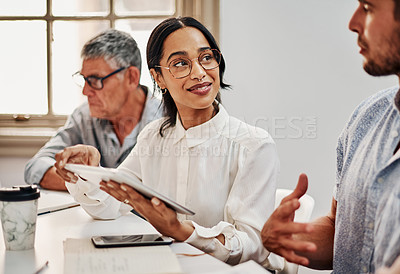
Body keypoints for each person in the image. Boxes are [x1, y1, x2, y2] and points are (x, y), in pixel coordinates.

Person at [54, 17, 281, 267]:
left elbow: (252, 246)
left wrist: (180, 230)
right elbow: (110, 207)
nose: (199, 73)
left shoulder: (254, 146)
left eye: (206, 58)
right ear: (158, 78)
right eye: (180, 63)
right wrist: (87, 171)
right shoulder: (153, 136)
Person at [261, 0, 400, 273]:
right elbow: (341, 231)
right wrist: (289, 238)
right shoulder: (366, 119)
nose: (353, 23)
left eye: (368, 8)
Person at [24, 29, 163, 191]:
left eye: (95, 80)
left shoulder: (169, 119)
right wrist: (91, 183)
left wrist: (90, 180)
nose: (85, 91)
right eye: (84, 79)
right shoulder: (84, 116)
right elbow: (35, 167)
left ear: (131, 78)